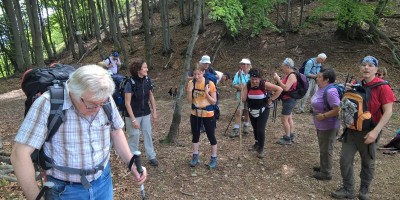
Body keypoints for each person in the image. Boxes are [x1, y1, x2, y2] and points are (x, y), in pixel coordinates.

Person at [10, 65, 147, 199]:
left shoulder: (103, 98)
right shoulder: (47, 103)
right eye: (92, 105)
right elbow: (19, 154)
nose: (98, 109)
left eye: (102, 103)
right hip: (65, 190)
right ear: (74, 93)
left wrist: (131, 163)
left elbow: (116, 131)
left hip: (103, 181)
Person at [331, 56, 396, 200]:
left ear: (376, 69)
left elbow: (389, 111)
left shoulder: (382, 87)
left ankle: (364, 190)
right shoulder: (355, 83)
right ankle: (348, 189)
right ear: (360, 68)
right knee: (344, 160)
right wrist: (346, 92)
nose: (366, 67)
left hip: (369, 132)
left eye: (370, 65)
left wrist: (375, 131)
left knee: (368, 162)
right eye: (364, 65)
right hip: (352, 131)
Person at [124, 58, 159, 166]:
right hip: (133, 115)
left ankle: (151, 156)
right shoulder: (130, 83)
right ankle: (132, 159)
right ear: (138, 69)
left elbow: (151, 96)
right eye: (144, 67)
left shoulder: (147, 80)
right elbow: (127, 103)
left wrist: (154, 111)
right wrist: (133, 119)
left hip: (145, 113)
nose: (147, 69)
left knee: (147, 134)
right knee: (134, 136)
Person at [242, 68, 282, 158]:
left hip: (263, 109)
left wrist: (271, 99)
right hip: (252, 109)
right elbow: (243, 99)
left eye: (256, 79)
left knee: (260, 129)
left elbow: (279, 89)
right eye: (252, 79)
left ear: (260, 79)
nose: (254, 81)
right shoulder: (247, 85)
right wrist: (242, 90)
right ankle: (256, 143)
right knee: (255, 128)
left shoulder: (264, 84)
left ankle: (261, 149)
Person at [310, 67, 340, 180]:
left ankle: (326, 173)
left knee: (327, 149)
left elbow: (338, 109)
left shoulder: (331, 91)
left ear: (326, 79)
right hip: (321, 124)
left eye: (319, 77)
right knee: (323, 147)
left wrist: (323, 116)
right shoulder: (321, 88)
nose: (316, 78)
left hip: (329, 125)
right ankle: (324, 166)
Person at [186, 63, 218, 169]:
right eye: (195, 74)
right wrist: (189, 91)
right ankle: (195, 156)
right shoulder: (191, 83)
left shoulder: (210, 84)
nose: (197, 77)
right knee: (195, 135)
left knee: (211, 136)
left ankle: (213, 158)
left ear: (203, 73)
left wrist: (207, 93)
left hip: (208, 114)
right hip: (195, 113)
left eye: (199, 74)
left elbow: (214, 102)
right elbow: (190, 101)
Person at [273, 58, 298, 145]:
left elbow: (286, 88)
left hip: (289, 100)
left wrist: (278, 80)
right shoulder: (288, 75)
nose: (282, 68)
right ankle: (291, 135)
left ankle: (287, 138)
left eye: (283, 66)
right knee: (289, 118)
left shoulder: (292, 75)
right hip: (288, 99)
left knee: (284, 118)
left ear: (288, 66)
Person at [230, 58, 252, 138]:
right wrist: (238, 87)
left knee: (247, 111)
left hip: (250, 95)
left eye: (244, 64)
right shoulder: (238, 73)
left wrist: (247, 87)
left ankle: (246, 126)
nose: (243, 65)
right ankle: (236, 128)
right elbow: (234, 84)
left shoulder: (252, 73)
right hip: (240, 95)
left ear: (248, 65)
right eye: (242, 64)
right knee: (238, 111)